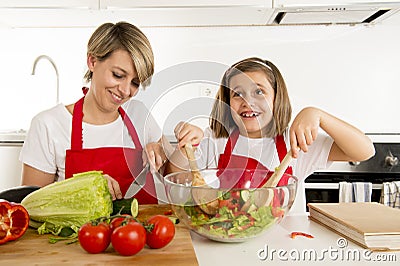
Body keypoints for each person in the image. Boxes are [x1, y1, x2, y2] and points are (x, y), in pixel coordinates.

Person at [165, 57, 375, 212]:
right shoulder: (216, 139)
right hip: (228, 242)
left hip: (285, 249)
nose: (248, 101)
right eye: (237, 94)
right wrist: (186, 144)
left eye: (259, 91)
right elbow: (174, 175)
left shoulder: (295, 141)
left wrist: (318, 115)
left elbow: (364, 151)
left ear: (277, 97)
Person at [20, 21, 171, 203]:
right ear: (92, 61)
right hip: (80, 233)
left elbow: (176, 177)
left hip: (139, 231)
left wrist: (163, 150)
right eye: (118, 75)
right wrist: (84, 187)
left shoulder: (140, 115)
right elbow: (31, 206)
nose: (125, 90)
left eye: (135, 83)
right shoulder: (48, 125)